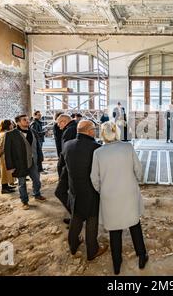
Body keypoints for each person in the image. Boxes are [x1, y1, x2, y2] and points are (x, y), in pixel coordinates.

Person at [90, 122, 148, 275]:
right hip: (128, 192)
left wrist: (103, 190)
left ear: (102, 134)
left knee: (115, 230)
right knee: (134, 225)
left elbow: (94, 178)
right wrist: (136, 181)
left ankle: (117, 263)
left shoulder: (98, 152)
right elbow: (138, 169)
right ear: (117, 133)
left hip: (110, 195)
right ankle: (141, 256)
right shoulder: (127, 147)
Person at [58, 120, 108, 259]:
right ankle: (92, 250)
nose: (95, 131)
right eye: (94, 129)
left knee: (76, 217)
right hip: (91, 191)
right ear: (89, 131)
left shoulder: (68, 145)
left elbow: (62, 167)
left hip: (74, 190)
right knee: (92, 219)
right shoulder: (97, 148)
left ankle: (73, 245)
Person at [4, 114, 46, 210]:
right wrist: (10, 166)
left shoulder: (33, 132)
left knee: (37, 180)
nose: (27, 121)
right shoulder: (10, 135)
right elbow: (8, 152)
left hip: (34, 161)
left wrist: (40, 157)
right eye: (24, 120)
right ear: (18, 122)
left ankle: (37, 194)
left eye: (28, 120)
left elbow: (37, 146)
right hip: (20, 163)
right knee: (22, 183)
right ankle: (24, 201)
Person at [55, 114, 78, 220]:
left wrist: (61, 168)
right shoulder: (75, 127)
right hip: (74, 165)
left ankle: (76, 217)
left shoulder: (69, 131)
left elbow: (65, 152)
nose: (58, 126)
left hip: (69, 167)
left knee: (61, 192)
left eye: (59, 123)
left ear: (64, 121)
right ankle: (75, 216)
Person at [0, 119, 16, 194]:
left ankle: (7, 186)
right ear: (8, 125)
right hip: (5, 155)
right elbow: (1, 146)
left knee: (7, 172)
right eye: (11, 124)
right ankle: (4, 188)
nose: (12, 125)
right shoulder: (4, 134)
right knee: (4, 172)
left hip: (7, 155)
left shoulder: (4, 133)